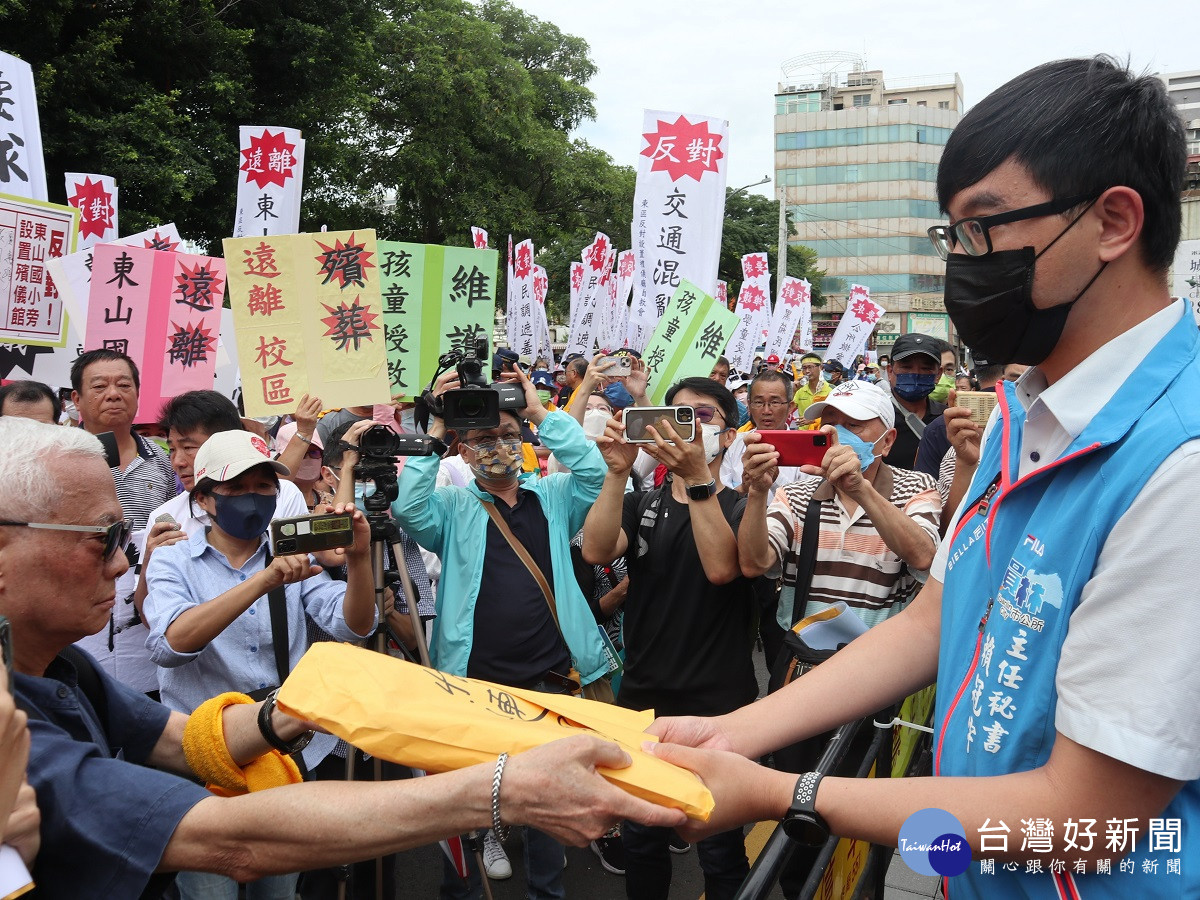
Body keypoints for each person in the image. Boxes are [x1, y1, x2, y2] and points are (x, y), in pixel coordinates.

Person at [644, 56, 1200, 900]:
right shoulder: (1026, 411)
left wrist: (783, 793)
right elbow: (938, 616)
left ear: (1114, 221)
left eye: (983, 227)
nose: (963, 263)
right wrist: (732, 732)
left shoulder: (1178, 465)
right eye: (953, 234)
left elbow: (1091, 816)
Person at [0, 417, 684, 899]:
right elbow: (230, 839)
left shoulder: (65, 671)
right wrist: (499, 791)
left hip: (301, 760)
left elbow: (187, 741)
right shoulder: (12, 713)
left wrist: (302, 706)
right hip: (228, 809)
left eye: (269, 485)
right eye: (103, 538)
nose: (125, 562)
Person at [391, 366, 614, 900]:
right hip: (475, 681)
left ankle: (548, 892)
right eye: (483, 439)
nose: (497, 447)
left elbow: (595, 474)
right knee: (469, 800)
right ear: (463, 453)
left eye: (509, 435)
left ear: (527, 444)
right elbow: (407, 509)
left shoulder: (554, 497)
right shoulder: (451, 507)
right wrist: (438, 428)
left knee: (547, 806)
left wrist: (542, 412)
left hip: (551, 678)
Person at [144, 430, 378, 900]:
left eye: (265, 487)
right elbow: (171, 644)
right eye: (236, 489)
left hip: (280, 754)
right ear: (205, 498)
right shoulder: (173, 559)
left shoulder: (293, 554)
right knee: (210, 892)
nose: (254, 499)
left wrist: (357, 561)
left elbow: (354, 625)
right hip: (201, 762)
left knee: (279, 891)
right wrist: (263, 581)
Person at [738, 380, 940, 898]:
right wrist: (758, 494)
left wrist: (862, 491)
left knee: (857, 804)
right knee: (796, 798)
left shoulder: (915, 487)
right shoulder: (801, 489)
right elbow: (756, 561)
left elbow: (923, 555)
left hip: (876, 678)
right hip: (803, 673)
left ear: (887, 440)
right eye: (829, 423)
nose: (837, 435)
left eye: (854, 426)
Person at [583, 376, 754, 900]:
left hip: (718, 703)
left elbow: (723, 569)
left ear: (727, 435)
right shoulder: (645, 502)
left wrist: (698, 480)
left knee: (720, 845)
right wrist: (616, 474)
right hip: (644, 696)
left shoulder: (744, 508)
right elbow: (596, 550)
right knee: (641, 836)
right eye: (679, 414)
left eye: (704, 416)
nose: (690, 425)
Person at [70, 349, 179, 694]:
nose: (114, 393)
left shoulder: (162, 460)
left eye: (124, 384)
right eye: (99, 386)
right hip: (80, 610)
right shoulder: (60, 459)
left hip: (146, 611)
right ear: (77, 399)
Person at [881, 333, 946, 470]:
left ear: (938, 374)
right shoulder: (876, 418)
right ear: (890, 371)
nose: (916, 374)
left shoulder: (946, 419)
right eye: (906, 367)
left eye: (926, 368)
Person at [792, 353, 830, 428]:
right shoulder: (800, 390)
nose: (807, 371)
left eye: (810, 367)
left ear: (820, 367)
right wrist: (793, 391)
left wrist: (814, 420)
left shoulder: (830, 390)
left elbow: (834, 414)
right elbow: (788, 409)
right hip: (803, 435)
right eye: (804, 368)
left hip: (822, 433)